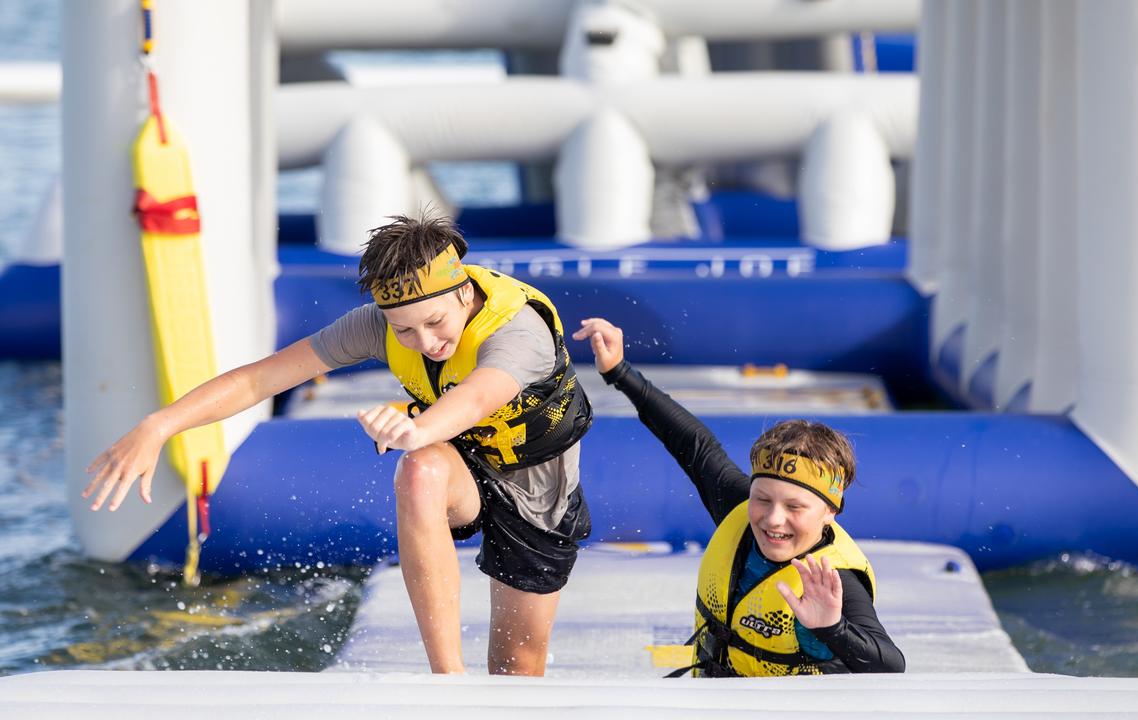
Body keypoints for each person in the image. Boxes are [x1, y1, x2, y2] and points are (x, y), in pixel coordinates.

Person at [83, 213, 593, 676]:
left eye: (435, 323)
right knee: (418, 471)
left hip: (537, 484)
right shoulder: (377, 324)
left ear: (463, 292)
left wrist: (417, 428)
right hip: (462, 464)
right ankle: (447, 683)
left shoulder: (518, 331)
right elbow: (259, 381)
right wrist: (159, 425)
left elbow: (480, 397)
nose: (426, 342)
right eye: (404, 330)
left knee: (516, 668)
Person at [573, 317, 905, 677]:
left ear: (829, 512)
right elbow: (693, 443)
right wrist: (620, 372)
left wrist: (833, 628)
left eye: (795, 506)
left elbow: (891, 665)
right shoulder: (740, 508)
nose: (772, 519)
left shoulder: (834, 577)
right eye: (763, 499)